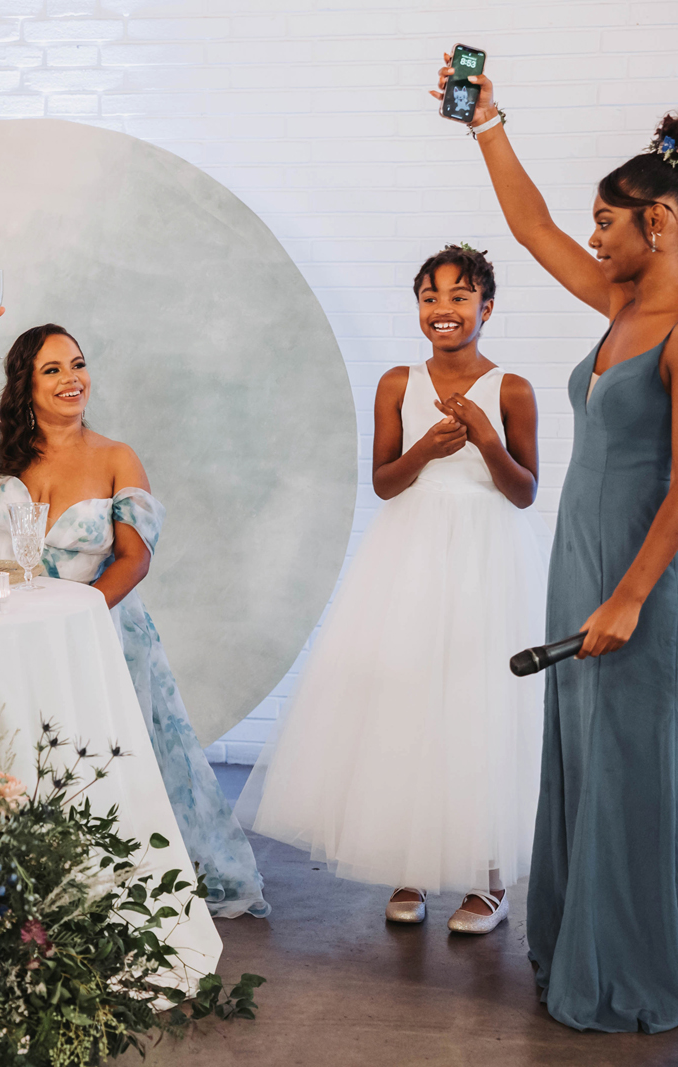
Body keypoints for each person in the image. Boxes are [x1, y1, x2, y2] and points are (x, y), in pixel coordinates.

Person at [441, 54, 678, 1032]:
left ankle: (641, 966)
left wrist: (627, 595)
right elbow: (531, 226)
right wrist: (486, 123)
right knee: (587, 753)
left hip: (646, 578)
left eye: (606, 222)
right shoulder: (623, 306)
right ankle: (591, 940)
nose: (591, 237)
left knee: (636, 759)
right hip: (583, 559)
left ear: (656, 223)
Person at [236, 246, 546, 935]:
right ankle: (411, 865)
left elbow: (524, 491)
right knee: (405, 698)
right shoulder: (397, 383)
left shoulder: (513, 389)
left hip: (486, 560)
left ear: (487, 308)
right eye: (430, 297)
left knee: (476, 704)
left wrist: (486, 439)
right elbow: (384, 482)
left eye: (460, 296)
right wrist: (426, 450)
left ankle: (488, 880)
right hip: (411, 557)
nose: (444, 309)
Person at [0, 302, 269, 919]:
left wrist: (76, 614)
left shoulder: (117, 456)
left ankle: (93, 877)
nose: (72, 378)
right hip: (4, 628)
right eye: (53, 369)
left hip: (95, 627)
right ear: (25, 386)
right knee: (9, 751)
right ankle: (10, 873)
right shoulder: (1, 450)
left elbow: (135, 559)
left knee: (89, 757)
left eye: (79, 364)